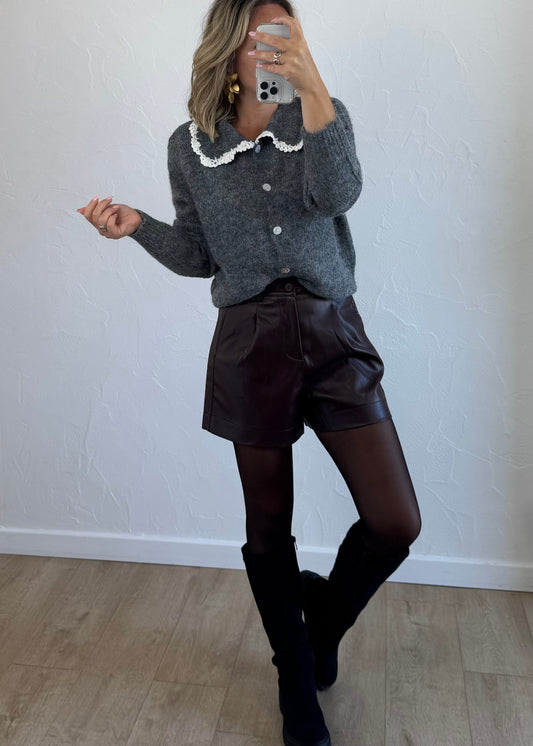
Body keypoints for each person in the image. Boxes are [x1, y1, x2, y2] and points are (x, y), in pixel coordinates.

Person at [77, 2, 422, 744]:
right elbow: (199, 255)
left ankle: (317, 626)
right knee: (267, 525)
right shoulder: (190, 145)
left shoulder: (319, 116)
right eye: (261, 34)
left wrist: (312, 85)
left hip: (333, 335)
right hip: (250, 343)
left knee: (395, 522)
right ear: (229, 44)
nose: (273, 47)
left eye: (285, 33)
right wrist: (137, 227)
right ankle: (295, 678)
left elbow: (338, 195)